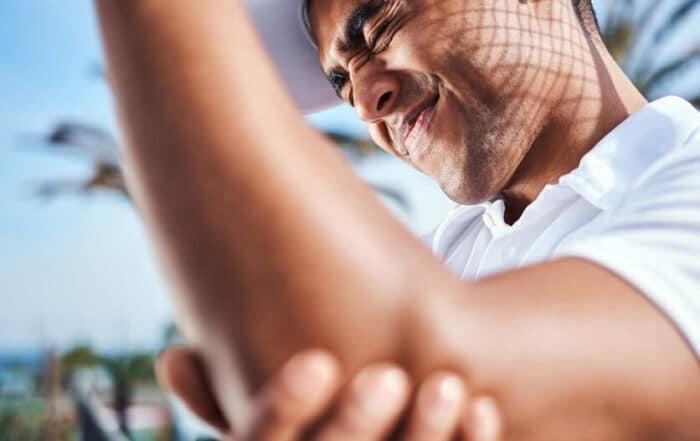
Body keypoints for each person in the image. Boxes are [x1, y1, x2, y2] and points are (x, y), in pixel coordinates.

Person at [95, 0, 700, 440]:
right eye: (340, 82)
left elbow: (398, 375)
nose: (363, 103)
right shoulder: (440, 261)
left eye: (381, 25)